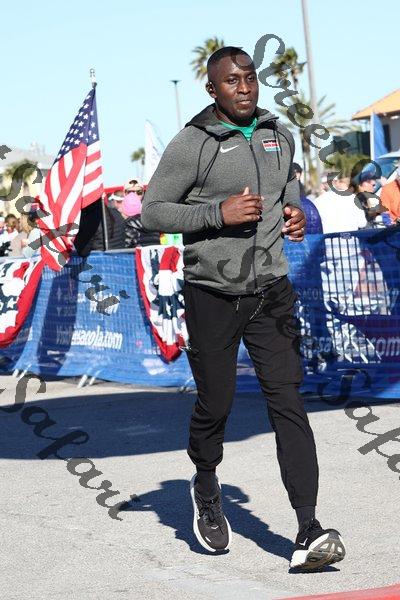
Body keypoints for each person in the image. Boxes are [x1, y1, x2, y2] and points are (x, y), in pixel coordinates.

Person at [142, 46, 345, 570]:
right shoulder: (193, 143)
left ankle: (308, 528)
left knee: (288, 401)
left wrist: (295, 213)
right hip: (212, 293)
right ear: (212, 90)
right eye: (232, 81)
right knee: (218, 403)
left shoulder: (278, 133)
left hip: (271, 291)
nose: (244, 87)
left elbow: (287, 187)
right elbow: (153, 210)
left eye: (249, 77)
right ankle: (206, 483)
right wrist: (218, 213)